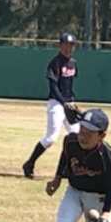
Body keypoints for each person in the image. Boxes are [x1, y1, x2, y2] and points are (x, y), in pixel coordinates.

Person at [22, 32, 80, 178]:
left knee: (77, 136)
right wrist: (64, 102)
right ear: (60, 46)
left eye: (71, 45)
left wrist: (72, 101)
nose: (68, 48)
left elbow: (69, 85)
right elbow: (53, 87)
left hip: (69, 104)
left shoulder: (73, 63)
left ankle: (68, 170)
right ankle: (29, 163)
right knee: (51, 138)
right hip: (56, 104)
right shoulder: (55, 63)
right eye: (65, 45)